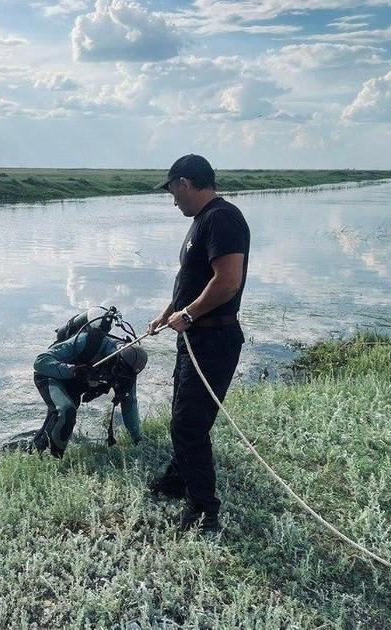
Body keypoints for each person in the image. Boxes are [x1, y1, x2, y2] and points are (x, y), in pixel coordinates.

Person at [147, 154, 250, 533]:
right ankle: (179, 478)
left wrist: (188, 315)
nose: (172, 200)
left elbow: (227, 281)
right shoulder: (203, 221)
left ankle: (205, 510)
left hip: (213, 338)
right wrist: (168, 312)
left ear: (186, 183)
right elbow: (193, 279)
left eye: (173, 190)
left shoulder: (222, 218)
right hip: (195, 337)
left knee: (189, 423)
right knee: (182, 413)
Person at [31, 329, 147, 457]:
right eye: (118, 371)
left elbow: (130, 405)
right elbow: (40, 362)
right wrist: (73, 370)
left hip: (73, 384)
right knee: (65, 410)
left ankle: (35, 452)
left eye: (125, 375)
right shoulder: (87, 342)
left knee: (61, 418)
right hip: (50, 374)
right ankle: (53, 461)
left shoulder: (128, 373)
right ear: (115, 358)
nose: (120, 377)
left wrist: (138, 440)